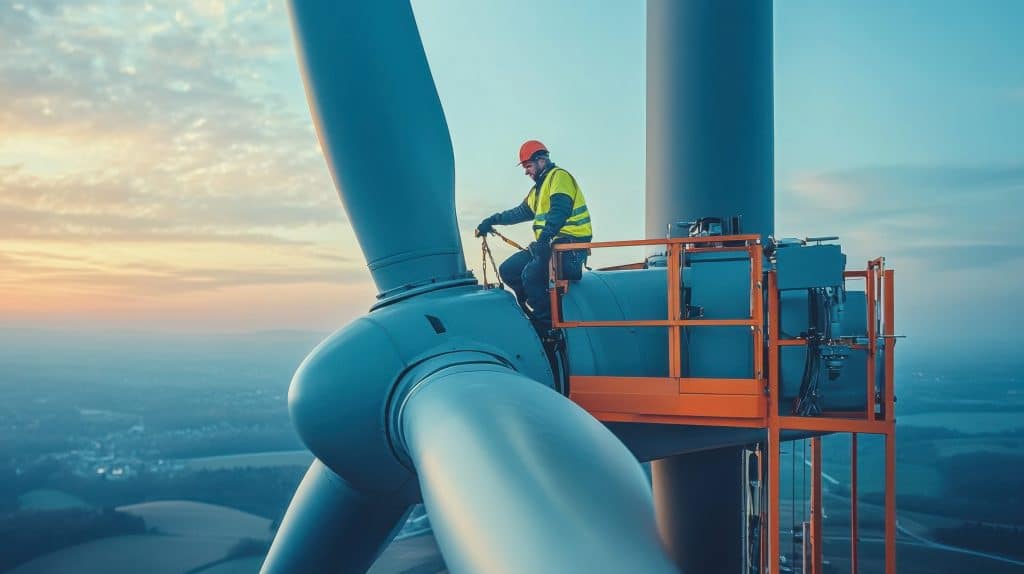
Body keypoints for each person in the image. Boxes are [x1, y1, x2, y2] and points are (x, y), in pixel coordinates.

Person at [475, 140, 592, 328]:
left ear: (541, 160)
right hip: (550, 244)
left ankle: (549, 326)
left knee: (531, 274)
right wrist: (491, 220)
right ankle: (533, 311)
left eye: (528, 166)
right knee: (509, 270)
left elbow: (559, 210)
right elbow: (519, 212)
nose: (526, 171)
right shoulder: (537, 191)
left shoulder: (559, 177)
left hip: (570, 246)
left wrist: (544, 239)